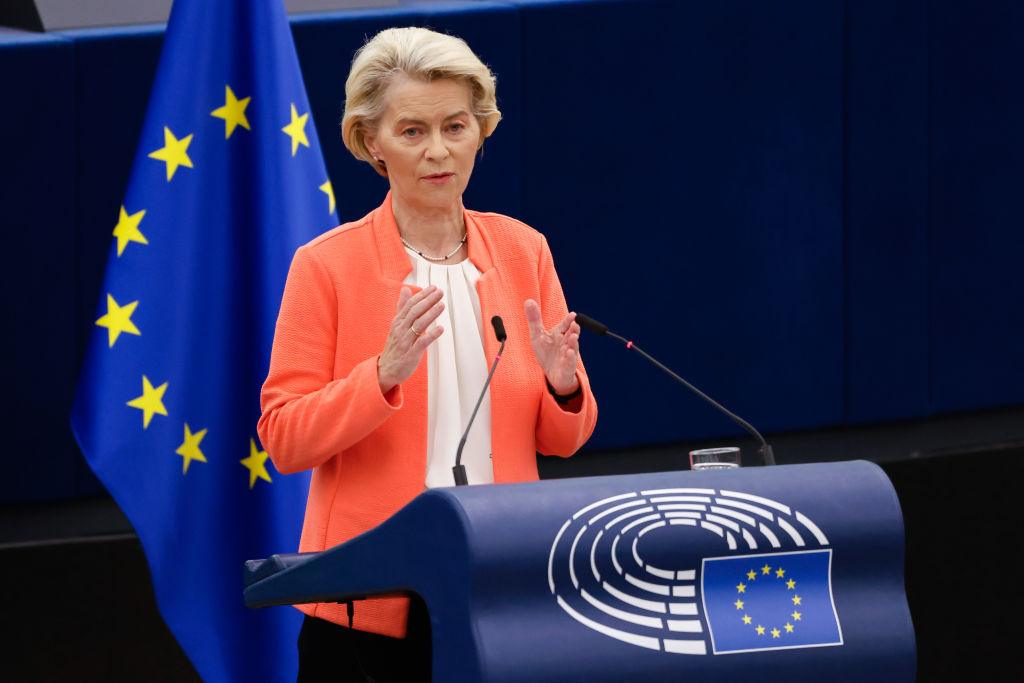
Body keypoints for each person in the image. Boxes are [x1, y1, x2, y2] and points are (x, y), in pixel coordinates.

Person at [257, 26, 598, 682]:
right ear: (371, 143)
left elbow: (564, 439)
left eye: (456, 126)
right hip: (369, 601)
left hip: (501, 585)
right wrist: (379, 377)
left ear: (481, 129)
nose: (438, 150)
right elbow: (284, 438)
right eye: (412, 131)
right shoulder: (326, 267)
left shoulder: (525, 251)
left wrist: (563, 388)